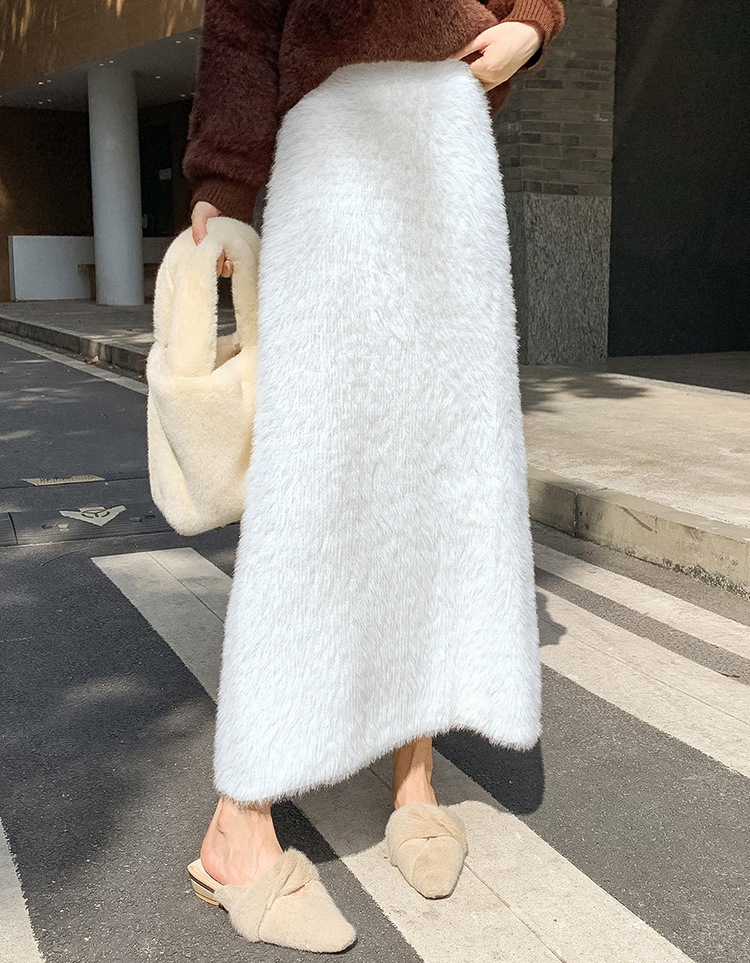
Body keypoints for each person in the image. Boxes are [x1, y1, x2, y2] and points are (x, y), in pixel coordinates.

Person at [182, 0, 565, 953]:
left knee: (443, 460)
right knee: (314, 476)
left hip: (448, 137)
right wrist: (225, 184)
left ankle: (414, 776)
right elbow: (240, 24)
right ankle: (237, 824)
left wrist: (536, 22)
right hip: (333, 142)